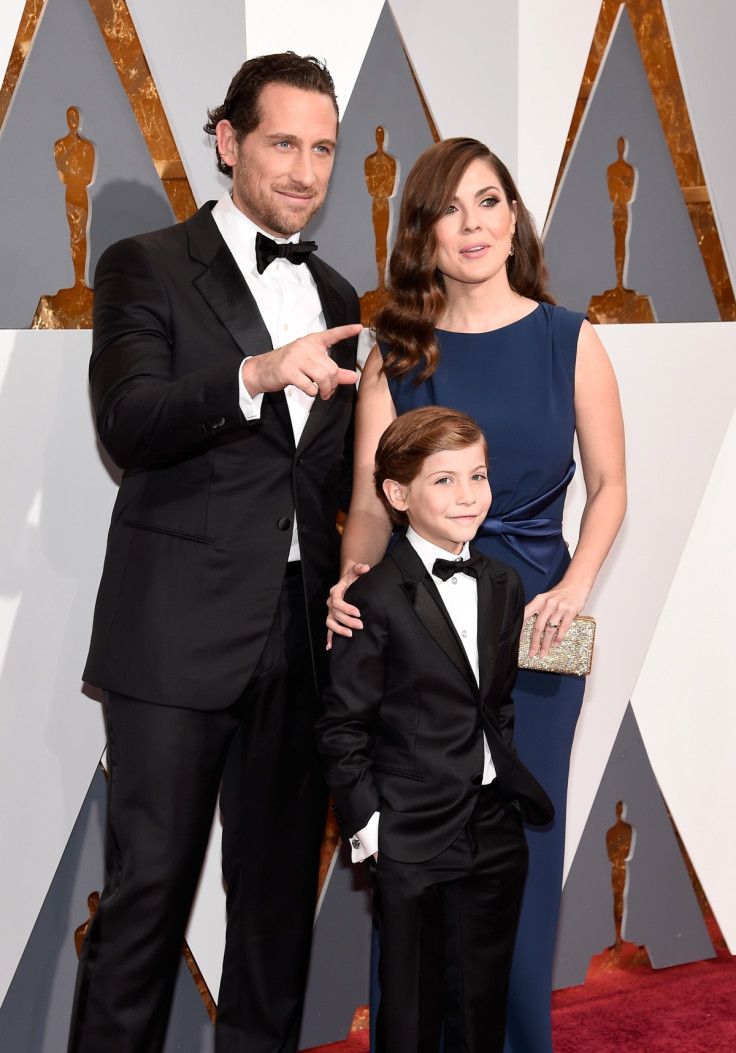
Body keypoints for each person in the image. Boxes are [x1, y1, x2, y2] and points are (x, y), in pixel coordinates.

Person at [69, 52, 362, 1053]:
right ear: (230, 143)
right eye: (284, 142)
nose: (306, 169)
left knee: (277, 917)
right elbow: (130, 421)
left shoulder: (337, 293)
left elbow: (327, 484)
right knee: (146, 907)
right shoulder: (144, 263)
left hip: (301, 643)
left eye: (323, 148)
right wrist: (254, 372)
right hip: (173, 644)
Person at [327, 137, 626, 1053]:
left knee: (523, 860)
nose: (473, 224)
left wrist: (575, 584)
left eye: (489, 201)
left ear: (513, 219)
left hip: (538, 630)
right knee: (415, 859)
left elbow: (610, 485)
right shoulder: (394, 352)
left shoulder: (570, 337)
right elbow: (371, 511)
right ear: (421, 230)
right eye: (450, 208)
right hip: (416, 631)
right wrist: (349, 586)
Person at [317, 406, 554, 1053]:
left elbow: (494, 703)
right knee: (412, 1011)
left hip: (493, 828)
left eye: (476, 476)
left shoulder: (503, 583)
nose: (468, 495)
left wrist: (499, 780)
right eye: (444, 480)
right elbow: (342, 727)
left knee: (482, 1003)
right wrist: (371, 828)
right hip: (411, 834)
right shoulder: (372, 597)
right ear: (397, 494)